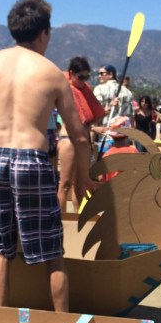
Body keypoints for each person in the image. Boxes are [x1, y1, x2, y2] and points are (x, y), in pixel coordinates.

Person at [0, 0, 93, 311]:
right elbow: (79, 136)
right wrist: (83, 178)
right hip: (31, 160)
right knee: (52, 252)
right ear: (44, 33)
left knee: (0, 250)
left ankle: (2, 321)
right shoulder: (51, 73)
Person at [58, 56, 107, 212]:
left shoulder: (84, 90)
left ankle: (79, 223)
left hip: (83, 139)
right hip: (69, 139)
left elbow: (91, 117)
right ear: (71, 73)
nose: (83, 80)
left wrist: (93, 128)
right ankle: (60, 223)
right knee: (65, 185)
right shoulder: (64, 89)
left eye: (87, 77)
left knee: (81, 186)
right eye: (81, 77)